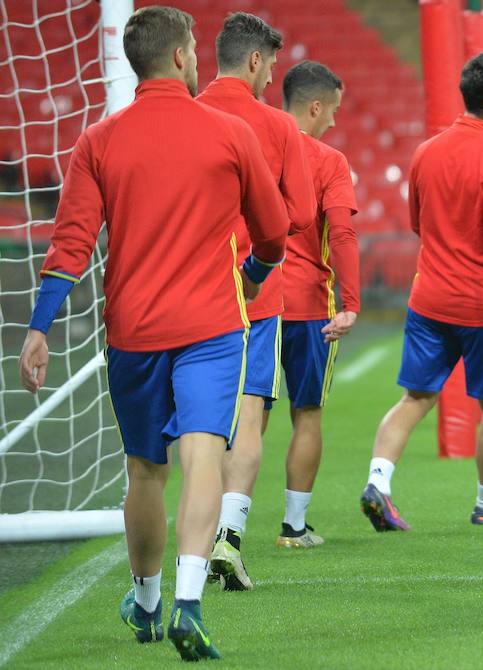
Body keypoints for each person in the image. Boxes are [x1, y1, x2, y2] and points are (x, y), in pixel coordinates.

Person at [17, 6, 289, 660]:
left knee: (144, 471)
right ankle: (188, 604)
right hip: (213, 326)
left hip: (133, 331)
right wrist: (253, 274)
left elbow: (71, 244)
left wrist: (39, 328)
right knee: (204, 457)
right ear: (181, 56)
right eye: (193, 47)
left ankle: (144, 602)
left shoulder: (99, 140)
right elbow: (275, 232)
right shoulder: (230, 132)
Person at [359, 52, 483, 531]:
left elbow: (417, 223)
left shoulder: (425, 152)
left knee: (415, 398)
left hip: (430, 300)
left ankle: (378, 482)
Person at [196, 11, 316, 592]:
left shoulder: (185, 115)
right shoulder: (275, 125)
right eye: (269, 66)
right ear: (253, 60)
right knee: (248, 416)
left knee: (195, 428)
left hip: (185, 292)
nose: (271, 77)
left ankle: (177, 564)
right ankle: (229, 536)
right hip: (253, 293)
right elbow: (302, 215)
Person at [269, 60, 359, 548]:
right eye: (334, 110)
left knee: (247, 418)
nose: (335, 120)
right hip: (309, 307)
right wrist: (352, 302)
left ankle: (225, 530)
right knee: (306, 414)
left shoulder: (254, 145)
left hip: (252, 303)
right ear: (316, 106)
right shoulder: (328, 160)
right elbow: (341, 233)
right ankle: (294, 527)